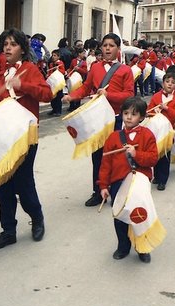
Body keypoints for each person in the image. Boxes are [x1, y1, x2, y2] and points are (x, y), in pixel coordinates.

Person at [0, 28, 53, 250]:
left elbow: (47, 94)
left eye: (13, 44)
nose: (7, 47)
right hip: (2, 137)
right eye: (5, 43)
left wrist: (21, 85)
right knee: (2, 184)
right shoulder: (0, 73)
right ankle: (8, 230)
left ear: (22, 50)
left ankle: (37, 218)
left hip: (25, 136)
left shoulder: (30, 69)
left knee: (24, 184)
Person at [62, 33, 134, 207]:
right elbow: (86, 88)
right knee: (97, 157)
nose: (108, 48)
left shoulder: (125, 70)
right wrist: (72, 97)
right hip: (96, 119)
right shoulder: (94, 67)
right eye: (105, 45)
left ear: (118, 49)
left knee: (115, 156)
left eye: (112, 45)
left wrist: (109, 95)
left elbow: (129, 96)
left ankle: (117, 190)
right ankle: (98, 191)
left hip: (115, 119)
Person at [99, 96, 158, 263]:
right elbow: (106, 164)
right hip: (118, 182)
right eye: (126, 113)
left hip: (139, 181)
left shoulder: (147, 135)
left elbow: (153, 159)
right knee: (119, 216)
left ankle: (142, 247)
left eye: (134, 114)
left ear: (142, 117)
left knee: (139, 215)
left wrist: (136, 154)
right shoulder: (113, 137)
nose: (129, 117)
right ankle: (123, 246)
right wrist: (103, 185)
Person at [147, 72, 175, 191]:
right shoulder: (156, 96)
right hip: (155, 130)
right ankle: (157, 176)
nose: (170, 84)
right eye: (167, 82)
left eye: (173, 83)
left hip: (168, 132)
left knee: (165, 156)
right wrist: (153, 112)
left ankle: (163, 180)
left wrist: (167, 109)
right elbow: (149, 111)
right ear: (163, 83)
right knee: (156, 154)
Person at [46, 49, 65, 116]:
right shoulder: (51, 64)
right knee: (52, 97)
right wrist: (48, 75)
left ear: (58, 57)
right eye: (52, 55)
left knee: (58, 97)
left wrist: (58, 69)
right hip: (52, 82)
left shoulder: (60, 63)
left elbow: (63, 72)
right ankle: (53, 109)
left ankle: (58, 111)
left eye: (55, 55)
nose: (53, 57)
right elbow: (49, 72)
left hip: (58, 83)